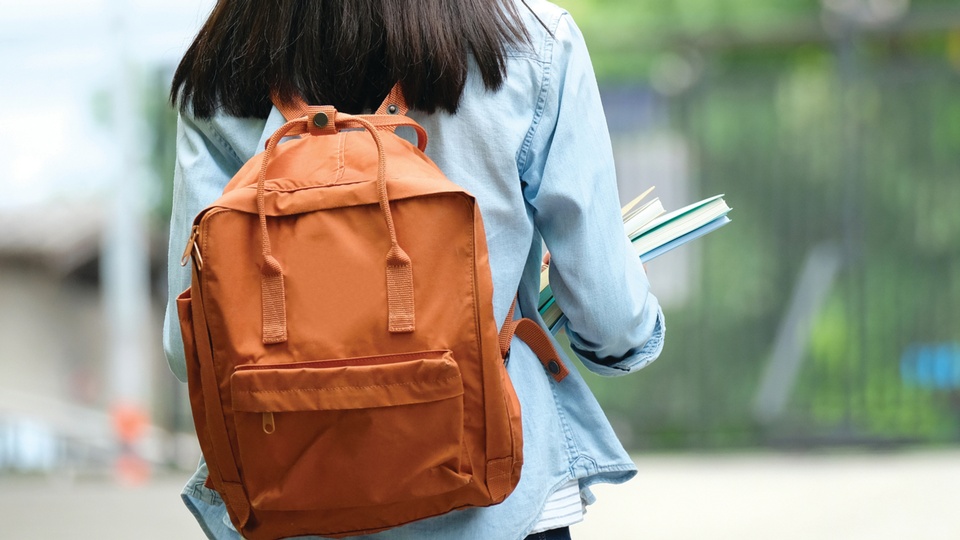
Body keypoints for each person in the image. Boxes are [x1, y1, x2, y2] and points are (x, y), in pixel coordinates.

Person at [163, 1, 665, 538]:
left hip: (289, 503)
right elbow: (610, 318)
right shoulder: (531, 39)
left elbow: (187, 347)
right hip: (497, 506)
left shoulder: (223, 57)